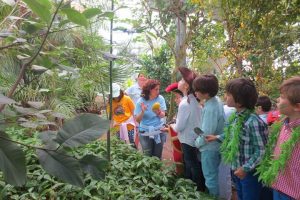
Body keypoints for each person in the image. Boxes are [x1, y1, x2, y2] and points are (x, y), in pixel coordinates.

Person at [206, 78, 268, 200]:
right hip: (236, 169)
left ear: (239, 102)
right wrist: (217, 137)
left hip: (249, 173)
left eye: (228, 94)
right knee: (240, 196)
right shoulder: (235, 117)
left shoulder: (253, 122)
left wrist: (245, 168)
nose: (225, 96)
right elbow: (232, 134)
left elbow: (262, 150)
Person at [257, 76, 300, 200]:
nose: (277, 99)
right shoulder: (283, 125)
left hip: (294, 194)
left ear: (297, 106)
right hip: (278, 187)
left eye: (282, 97)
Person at [171, 67, 205, 191]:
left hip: (187, 139)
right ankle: (198, 188)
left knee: (191, 164)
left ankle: (197, 189)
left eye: (181, 80)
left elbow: (179, 126)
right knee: (195, 163)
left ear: (186, 85)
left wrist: (171, 126)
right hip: (195, 137)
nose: (179, 82)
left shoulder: (185, 103)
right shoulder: (194, 101)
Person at [193, 74, 224, 197]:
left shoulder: (211, 107)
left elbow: (206, 134)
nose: (195, 92)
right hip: (215, 146)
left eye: (197, 90)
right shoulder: (216, 101)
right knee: (213, 176)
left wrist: (196, 143)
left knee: (210, 179)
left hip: (209, 148)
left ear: (206, 92)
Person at [134, 79, 167, 159]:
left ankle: (157, 171)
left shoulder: (160, 98)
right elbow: (137, 120)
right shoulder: (140, 101)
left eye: (158, 89)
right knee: (147, 155)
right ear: (149, 90)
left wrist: (158, 112)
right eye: (156, 89)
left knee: (157, 156)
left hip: (158, 130)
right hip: (145, 132)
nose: (158, 91)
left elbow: (163, 115)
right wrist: (142, 111)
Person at [164, 82, 184, 175]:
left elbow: (180, 127)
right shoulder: (181, 108)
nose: (175, 100)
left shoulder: (184, 107)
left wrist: (170, 128)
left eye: (177, 97)